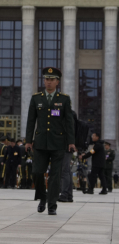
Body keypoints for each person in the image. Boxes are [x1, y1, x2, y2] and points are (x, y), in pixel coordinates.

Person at [25, 67, 75, 216]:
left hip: (58, 143)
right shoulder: (36, 98)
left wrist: (71, 141)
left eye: (52, 79)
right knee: (37, 172)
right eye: (46, 79)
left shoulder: (64, 99)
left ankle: (52, 205)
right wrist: (28, 140)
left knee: (55, 175)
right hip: (40, 143)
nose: (48, 82)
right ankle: (42, 197)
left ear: (57, 82)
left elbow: (69, 121)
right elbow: (31, 121)